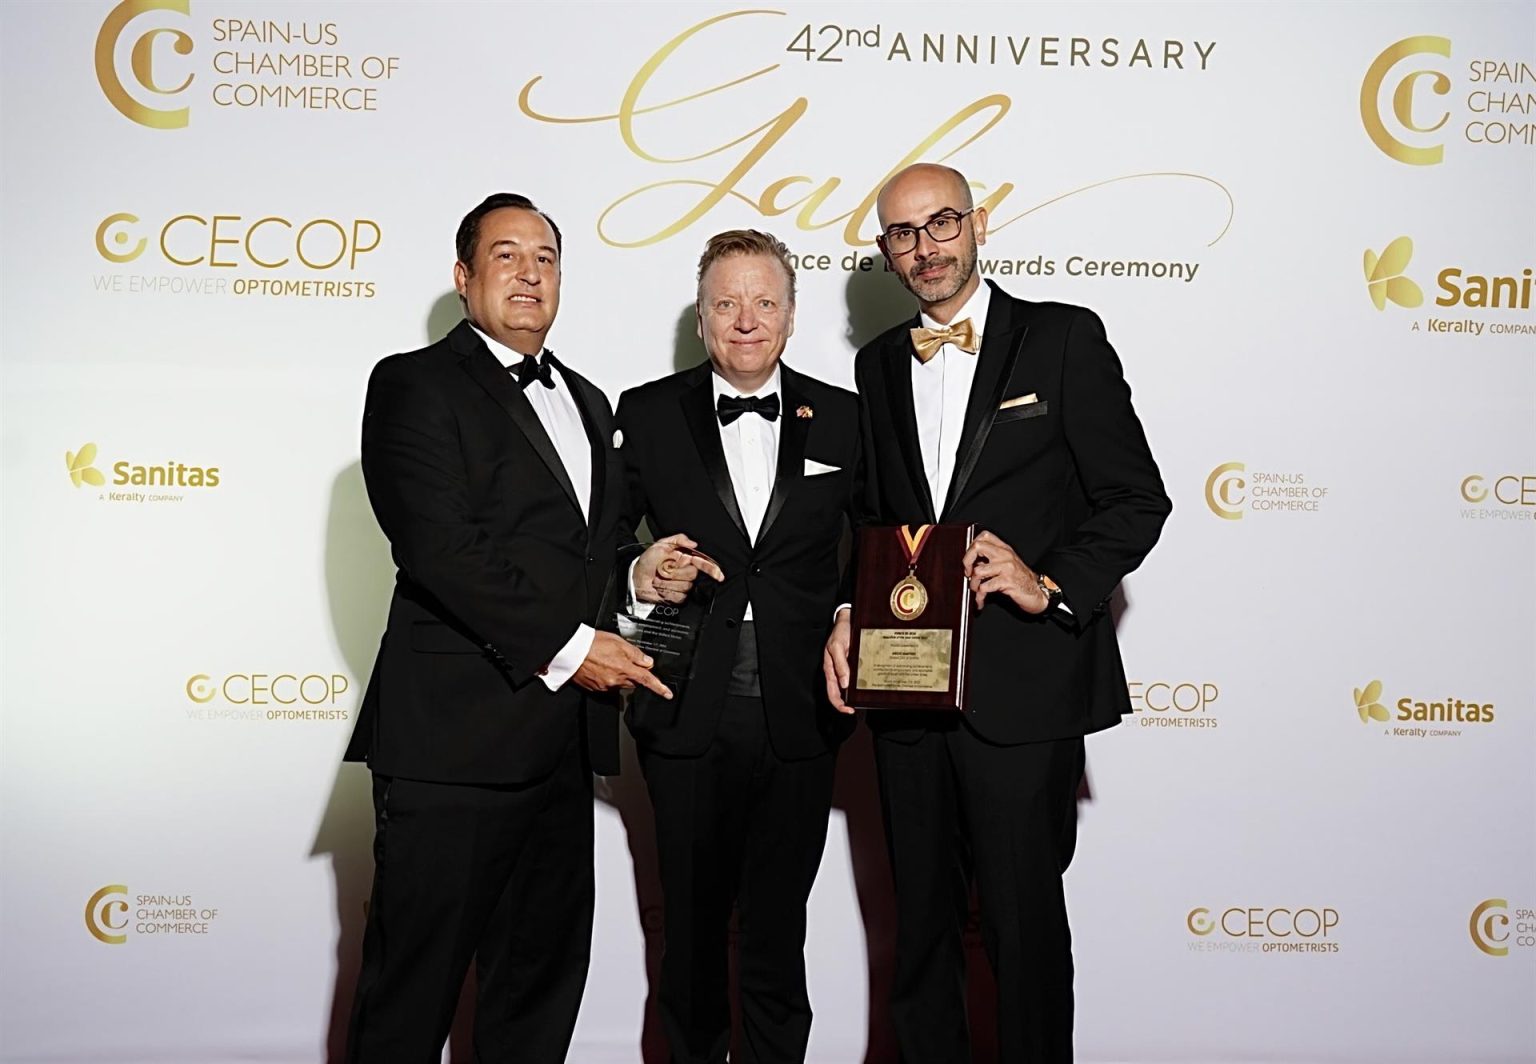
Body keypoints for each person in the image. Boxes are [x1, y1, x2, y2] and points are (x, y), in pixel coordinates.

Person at [344, 192, 713, 1063]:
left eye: (545, 258)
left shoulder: (585, 400)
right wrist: (578, 650)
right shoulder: (412, 382)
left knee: (536, 997)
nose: (529, 273)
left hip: (558, 750)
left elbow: (589, 555)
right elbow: (441, 549)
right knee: (412, 997)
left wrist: (637, 572)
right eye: (506, 255)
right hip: (452, 748)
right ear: (464, 276)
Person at [823, 164, 1171, 1062]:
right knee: (919, 937)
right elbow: (869, 518)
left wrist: (1047, 582)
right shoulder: (876, 365)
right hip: (906, 694)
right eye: (902, 234)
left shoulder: (1062, 339)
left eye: (940, 224)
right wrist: (844, 611)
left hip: (1023, 695)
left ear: (978, 224)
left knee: (1022, 932)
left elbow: (1136, 499)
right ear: (887, 254)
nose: (925, 247)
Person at [615, 230, 860, 1064]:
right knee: (687, 940)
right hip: (685, 711)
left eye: (764, 303)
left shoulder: (847, 416)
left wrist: (853, 607)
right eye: (727, 303)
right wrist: (638, 568)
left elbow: (873, 545)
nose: (746, 321)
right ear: (700, 317)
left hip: (801, 715)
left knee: (777, 937)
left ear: (792, 317)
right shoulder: (644, 413)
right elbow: (600, 545)